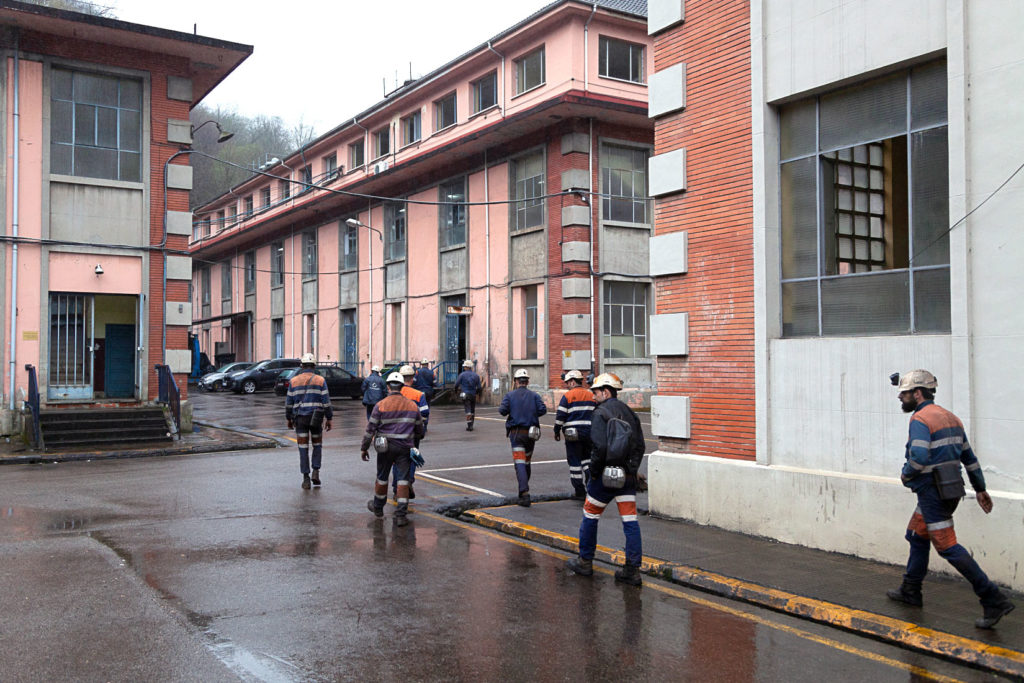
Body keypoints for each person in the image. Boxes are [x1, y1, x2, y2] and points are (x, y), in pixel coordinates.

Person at [886, 369, 1015, 629]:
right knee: (916, 535)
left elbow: (919, 457)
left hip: (932, 492)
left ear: (918, 393)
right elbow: (969, 458)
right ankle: (910, 590)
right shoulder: (951, 418)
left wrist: (905, 474)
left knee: (947, 546)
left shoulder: (920, 419)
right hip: (950, 489)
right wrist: (980, 488)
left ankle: (993, 599)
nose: (901, 397)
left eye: (905, 393)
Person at [566, 373, 645, 586]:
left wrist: (593, 472)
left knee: (590, 515)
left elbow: (599, 447)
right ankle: (632, 570)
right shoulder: (630, 413)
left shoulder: (600, 413)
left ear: (606, 392)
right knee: (630, 521)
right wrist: (631, 470)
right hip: (626, 477)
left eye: (596, 392)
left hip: (603, 477)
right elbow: (640, 446)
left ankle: (585, 561)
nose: (593, 396)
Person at [361, 372, 424, 526]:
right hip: (405, 448)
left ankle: (378, 507)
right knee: (403, 480)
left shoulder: (380, 405)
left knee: (382, 478)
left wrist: (364, 448)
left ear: (388, 386)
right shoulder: (412, 406)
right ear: (401, 387)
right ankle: (401, 514)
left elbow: (370, 429)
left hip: (385, 448)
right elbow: (420, 431)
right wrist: (412, 440)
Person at [498, 368, 547, 506]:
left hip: (517, 434)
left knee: (520, 463)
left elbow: (502, 411)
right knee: (527, 462)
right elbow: (542, 410)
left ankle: (524, 493)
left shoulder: (510, 395)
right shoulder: (535, 396)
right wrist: (531, 414)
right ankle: (523, 489)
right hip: (531, 434)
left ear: (516, 381)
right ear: (527, 381)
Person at [285, 353, 333, 490]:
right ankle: (316, 471)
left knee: (303, 448)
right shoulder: (320, 380)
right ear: (314, 366)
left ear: (302, 366)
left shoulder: (294, 381)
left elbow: (289, 403)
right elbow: (326, 402)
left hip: (300, 419)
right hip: (316, 418)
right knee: (317, 445)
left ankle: (306, 478)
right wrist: (329, 418)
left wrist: (289, 418)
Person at [553, 369, 596, 499]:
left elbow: (560, 416)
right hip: (589, 433)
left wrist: (556, 430)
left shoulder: (568, 396)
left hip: (573, 435)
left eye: (567, 383)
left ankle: (579, 491)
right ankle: (590, 484)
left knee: (574, 462)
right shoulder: (591, 395)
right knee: (587, 459)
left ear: (572, 382)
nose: (567, 385)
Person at [394, 364, 429, 498]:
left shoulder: (394, 395)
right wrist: (422, 429)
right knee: (412, 457)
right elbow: (425, 413)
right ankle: (408, 481)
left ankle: (397, 487)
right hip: (413, 432)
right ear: (412, 378)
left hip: (396, 432)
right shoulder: (419, 395)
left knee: (396, 460)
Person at [454, 360, 482, 431]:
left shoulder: (462, 375)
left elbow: (456, 384)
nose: (464, 368)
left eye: (464, 367)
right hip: (473, 394)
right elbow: (479, 387)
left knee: (468, 410)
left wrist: (456, 391)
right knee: (472, 410)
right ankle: (471, 424)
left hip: (465, 394)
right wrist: (477, 393)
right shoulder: (476, 375)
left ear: (466, 367)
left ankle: (469, 425)